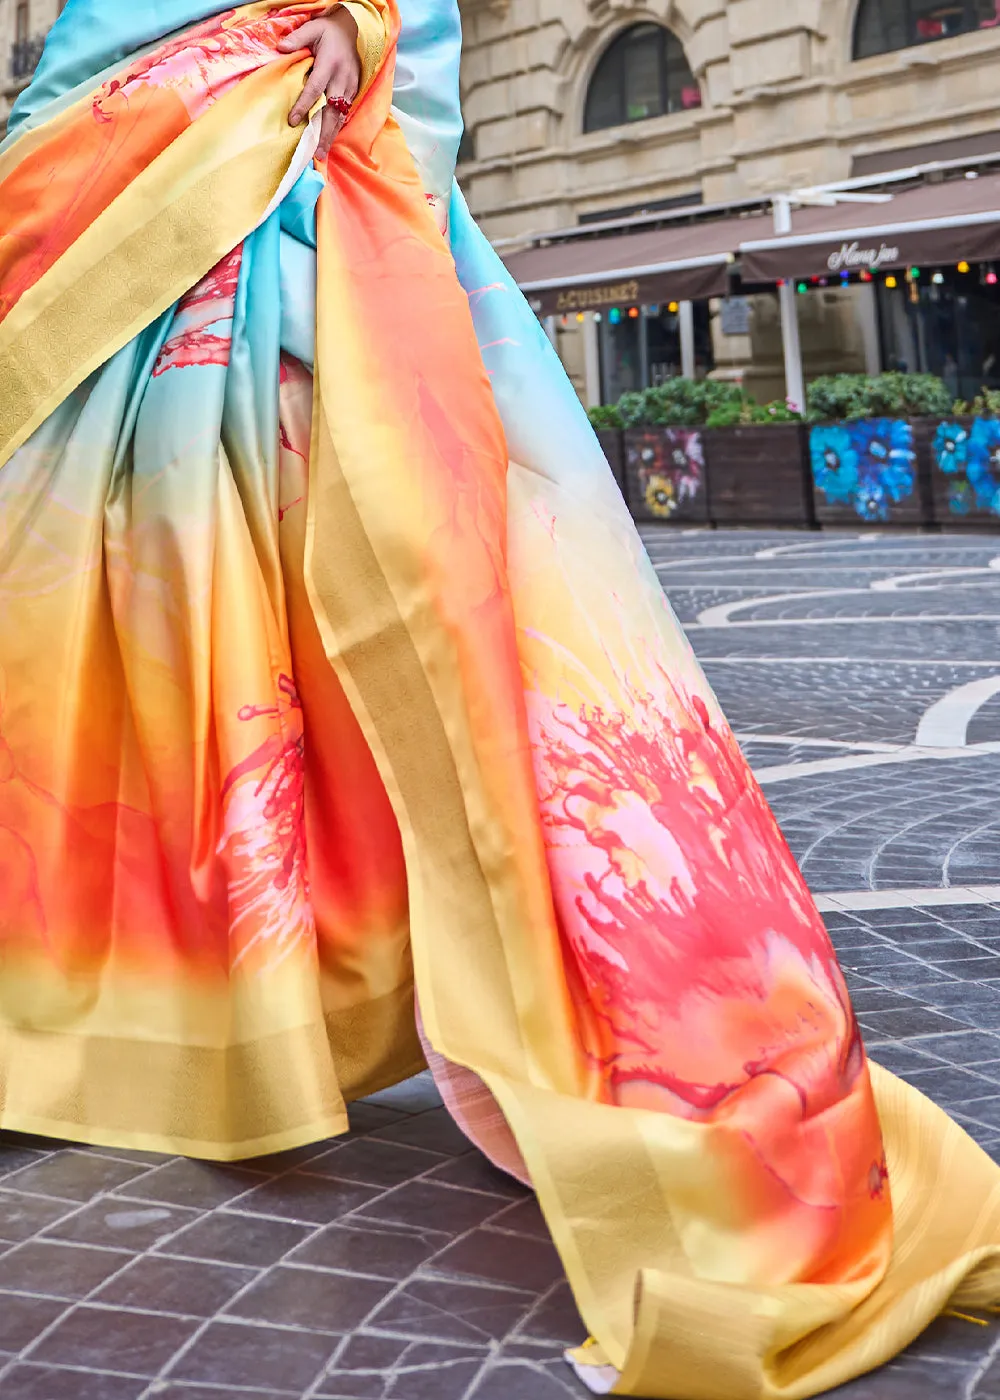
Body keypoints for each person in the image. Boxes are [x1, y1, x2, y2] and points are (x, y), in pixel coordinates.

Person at [1, 4, 999, 1397]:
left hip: (286, 134)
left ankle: (490, 996)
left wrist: (356, 11)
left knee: (410, 568)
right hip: (143, 120)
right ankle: (144, 1011)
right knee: (127, 601)